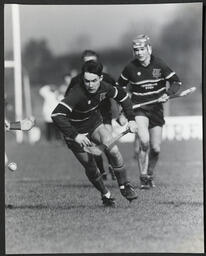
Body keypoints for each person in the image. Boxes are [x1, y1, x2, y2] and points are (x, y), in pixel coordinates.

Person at [51, 60, 138, 207]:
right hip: (75, 133)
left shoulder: (106, 88)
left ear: (101, 78)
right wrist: (75, 135)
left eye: (94, 81)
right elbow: (57, 115)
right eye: (87, 81)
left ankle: (125, 186)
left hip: (94, 125)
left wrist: (131, 119)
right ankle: (106, 195)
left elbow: (124, 98)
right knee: (91, 167)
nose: (90, 85)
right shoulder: (77, 93)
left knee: (114, 150)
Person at [117, 34, 182, 189]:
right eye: (136, 50)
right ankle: (143, 176)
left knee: (156, 148)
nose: (138, 53)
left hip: (157, 110)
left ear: (149, 49)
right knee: (144, 141)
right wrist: (122, 111)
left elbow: (176, 82)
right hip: (139, 109)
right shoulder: (130, 68)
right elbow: (118, 88)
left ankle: (150, 173)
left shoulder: (159, 64)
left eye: (141, 49)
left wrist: (167, 94)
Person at [64, 50, 118, 180]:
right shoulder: (76, 80)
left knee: (108, 141)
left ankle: (112, 166)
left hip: (104, 114)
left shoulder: (107, 78)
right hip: (87, 117)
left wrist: (121, 112)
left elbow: (118, 94)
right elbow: (67, 99)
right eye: (87, 62)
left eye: (92, 61)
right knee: (93, 147)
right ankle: (102, 171)